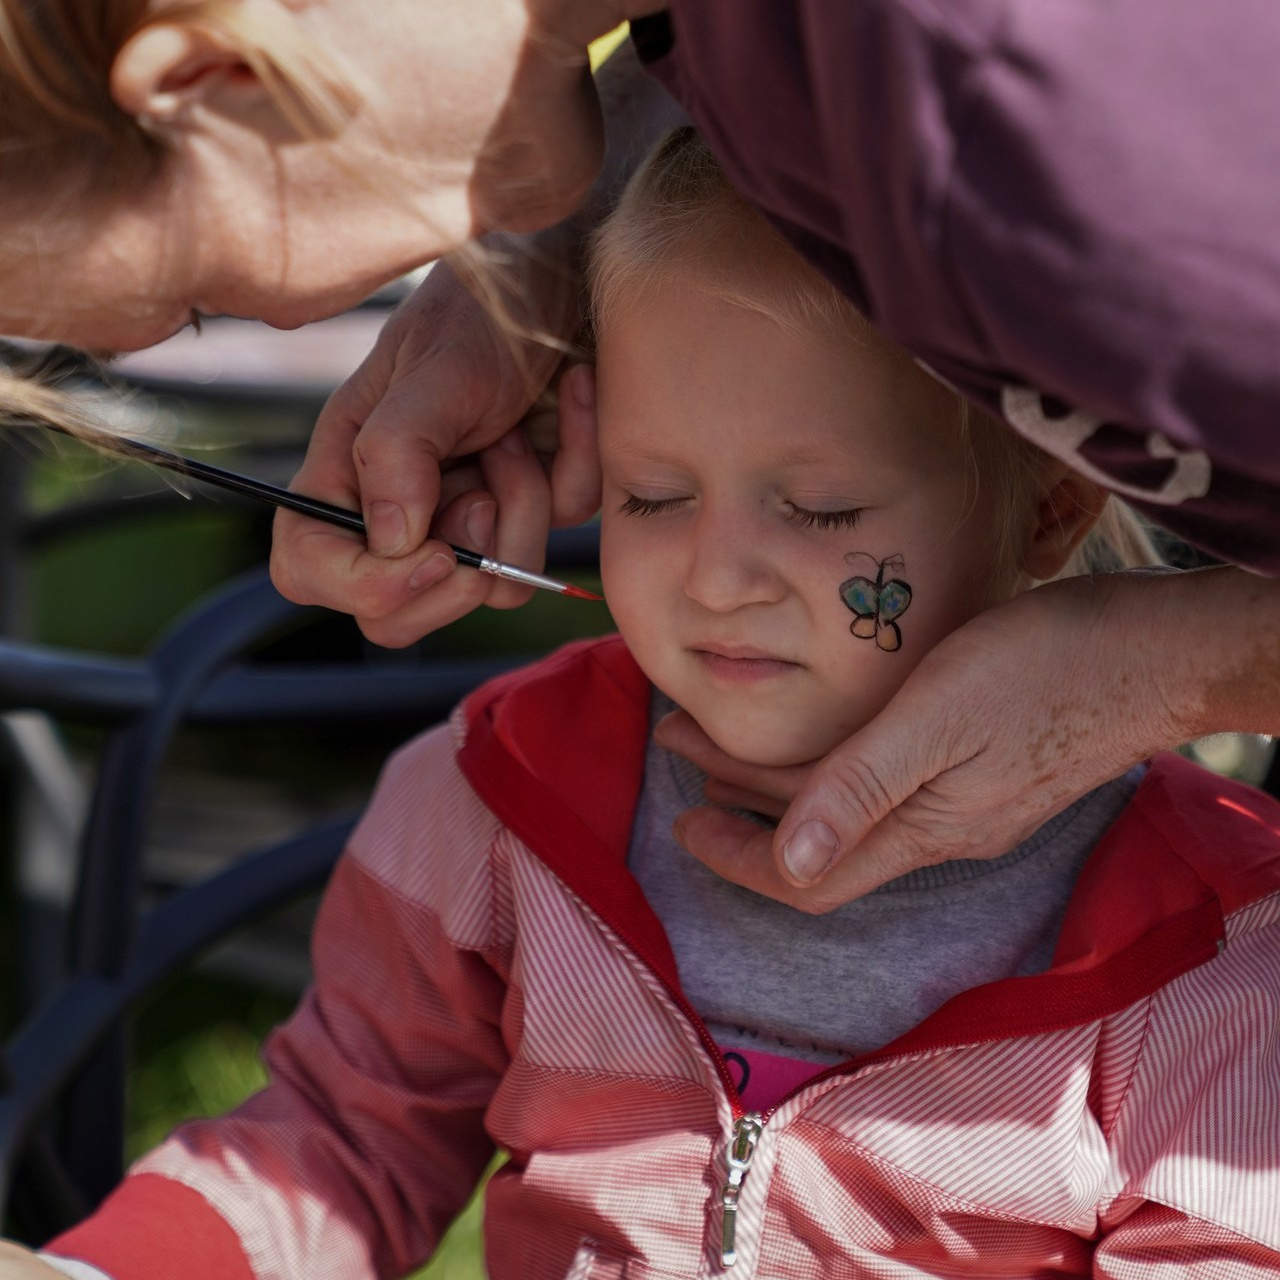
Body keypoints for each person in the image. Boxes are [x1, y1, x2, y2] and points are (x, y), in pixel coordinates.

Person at [14, 128, 1280, 1280]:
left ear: (1049, 510)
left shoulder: (1204, 940)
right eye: (652, 495)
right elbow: (340, 1143)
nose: (716, 578)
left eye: (822, 509)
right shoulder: (500, 795)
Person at [3, 1, 1280, 911]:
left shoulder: (1052, 144)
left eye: (197, 297)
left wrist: (1169, 665)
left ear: (208, 77)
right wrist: (545, 248)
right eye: (650, 492)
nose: (293, 325)